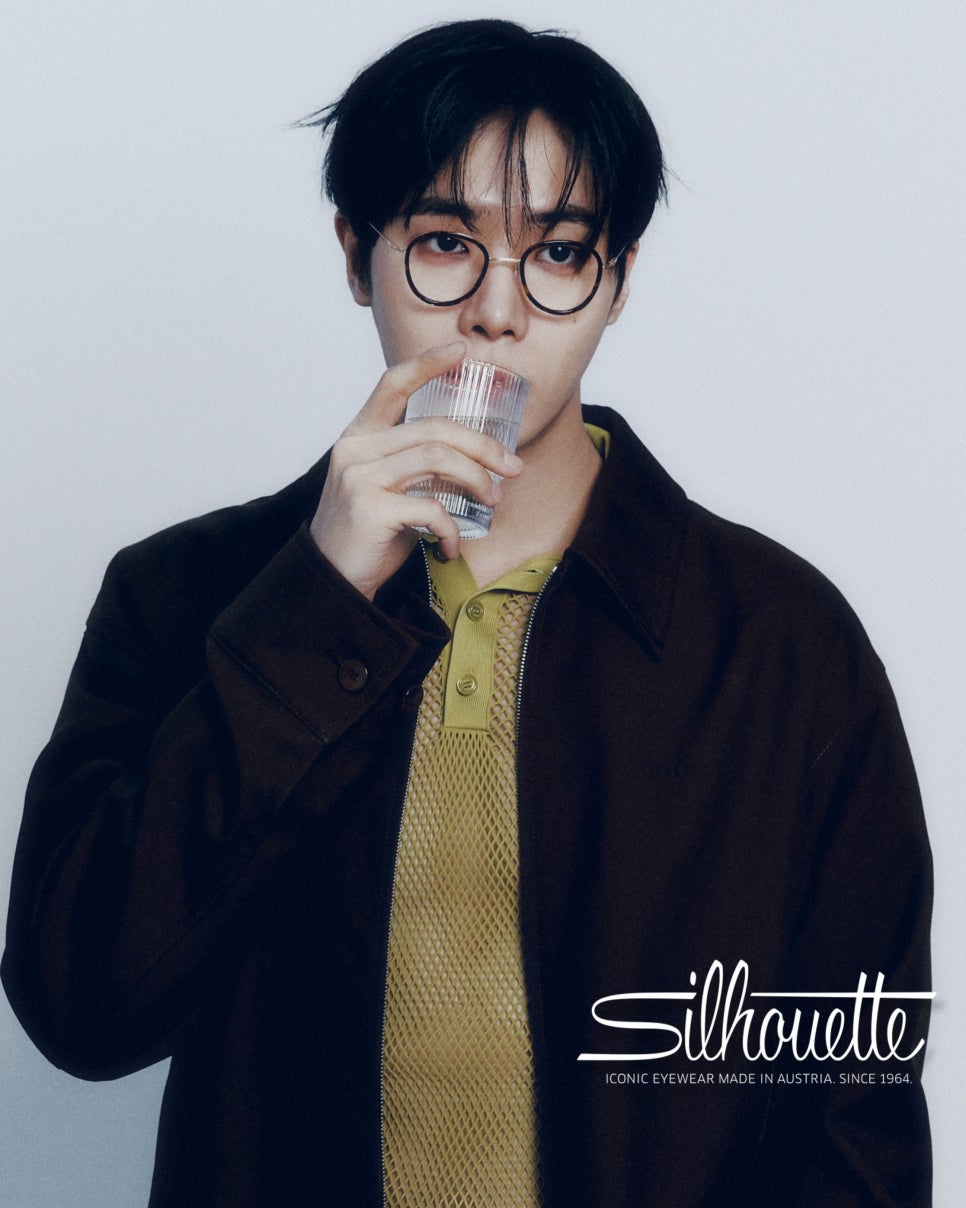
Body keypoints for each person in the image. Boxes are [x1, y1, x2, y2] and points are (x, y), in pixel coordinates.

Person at [2, 18, 932, 1207]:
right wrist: (316, 601)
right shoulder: (182, 593)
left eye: (558, 252)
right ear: (357, 254)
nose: (498, 311)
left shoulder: (780, 640)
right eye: (446, 242)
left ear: (617, 279)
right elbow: (82, 1009)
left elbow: (854, 1111)